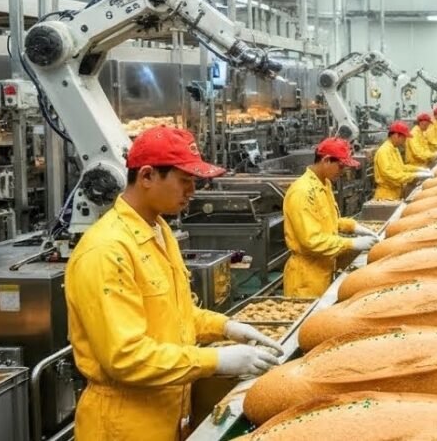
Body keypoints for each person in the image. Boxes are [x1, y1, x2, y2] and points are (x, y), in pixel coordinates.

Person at [65, 127, 285, 441]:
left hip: (169, 413)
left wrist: (226, 327)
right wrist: (216, 360)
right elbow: (125, 358)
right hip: (125, 425)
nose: (192, 191)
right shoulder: (107, 250)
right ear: (146, 176)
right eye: (185, 181)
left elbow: (178, 313)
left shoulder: (159, 231)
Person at [282, 137, 379, 298]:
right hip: (307, 277)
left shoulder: (324, 184)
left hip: (324, 267)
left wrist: (353, 226)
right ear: (326, 160)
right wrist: (350, 243)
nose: (342, 172)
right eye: (340, 166)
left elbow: (327, 219)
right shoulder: (303, 192)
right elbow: (311, 240)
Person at [375, 121, 432, 201]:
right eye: (404, 137)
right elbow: (390, 175)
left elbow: (401, 167)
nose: (405, 141)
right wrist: (413, 175)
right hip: (386, 195)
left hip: (396, 192)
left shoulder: (394, 149)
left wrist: (418, 169)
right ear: (396, 135)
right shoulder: (384, 151)